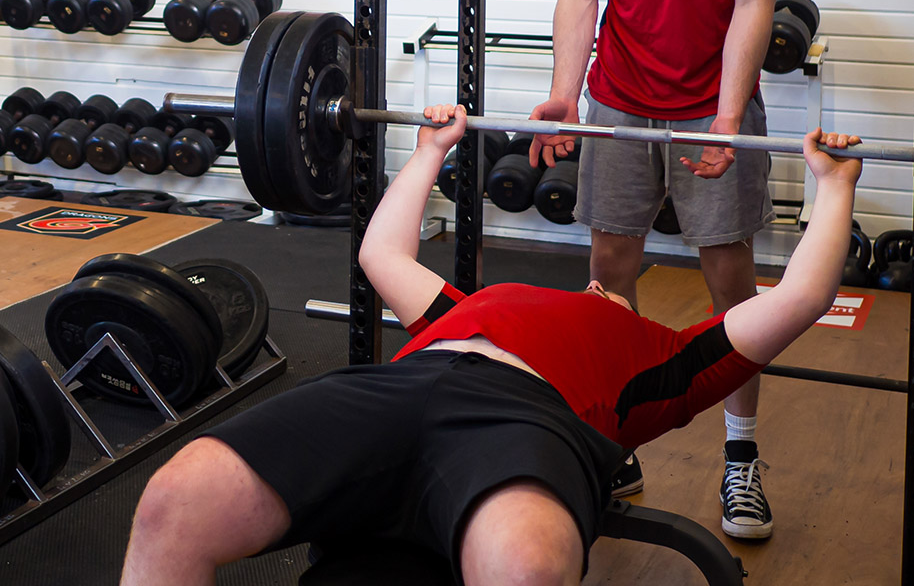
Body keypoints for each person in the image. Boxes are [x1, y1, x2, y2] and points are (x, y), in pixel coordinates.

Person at [119, 104, 861, 586]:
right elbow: (381, 256)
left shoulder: (668, 358)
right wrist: (430, 150)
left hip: (524, 419)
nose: (598, 282)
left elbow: (798, 298)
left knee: (526, 567)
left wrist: (833, 189)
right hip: (394, 390)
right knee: (174, 501)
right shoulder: (461, 310)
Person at [529, 0, 792, 538]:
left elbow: (754, 3)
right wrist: (564, 93)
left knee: (729, 282)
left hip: (713, 102)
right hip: (618, 100)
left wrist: (726, 116)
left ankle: (741, 457)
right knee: (609, 269)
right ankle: (618, 436)